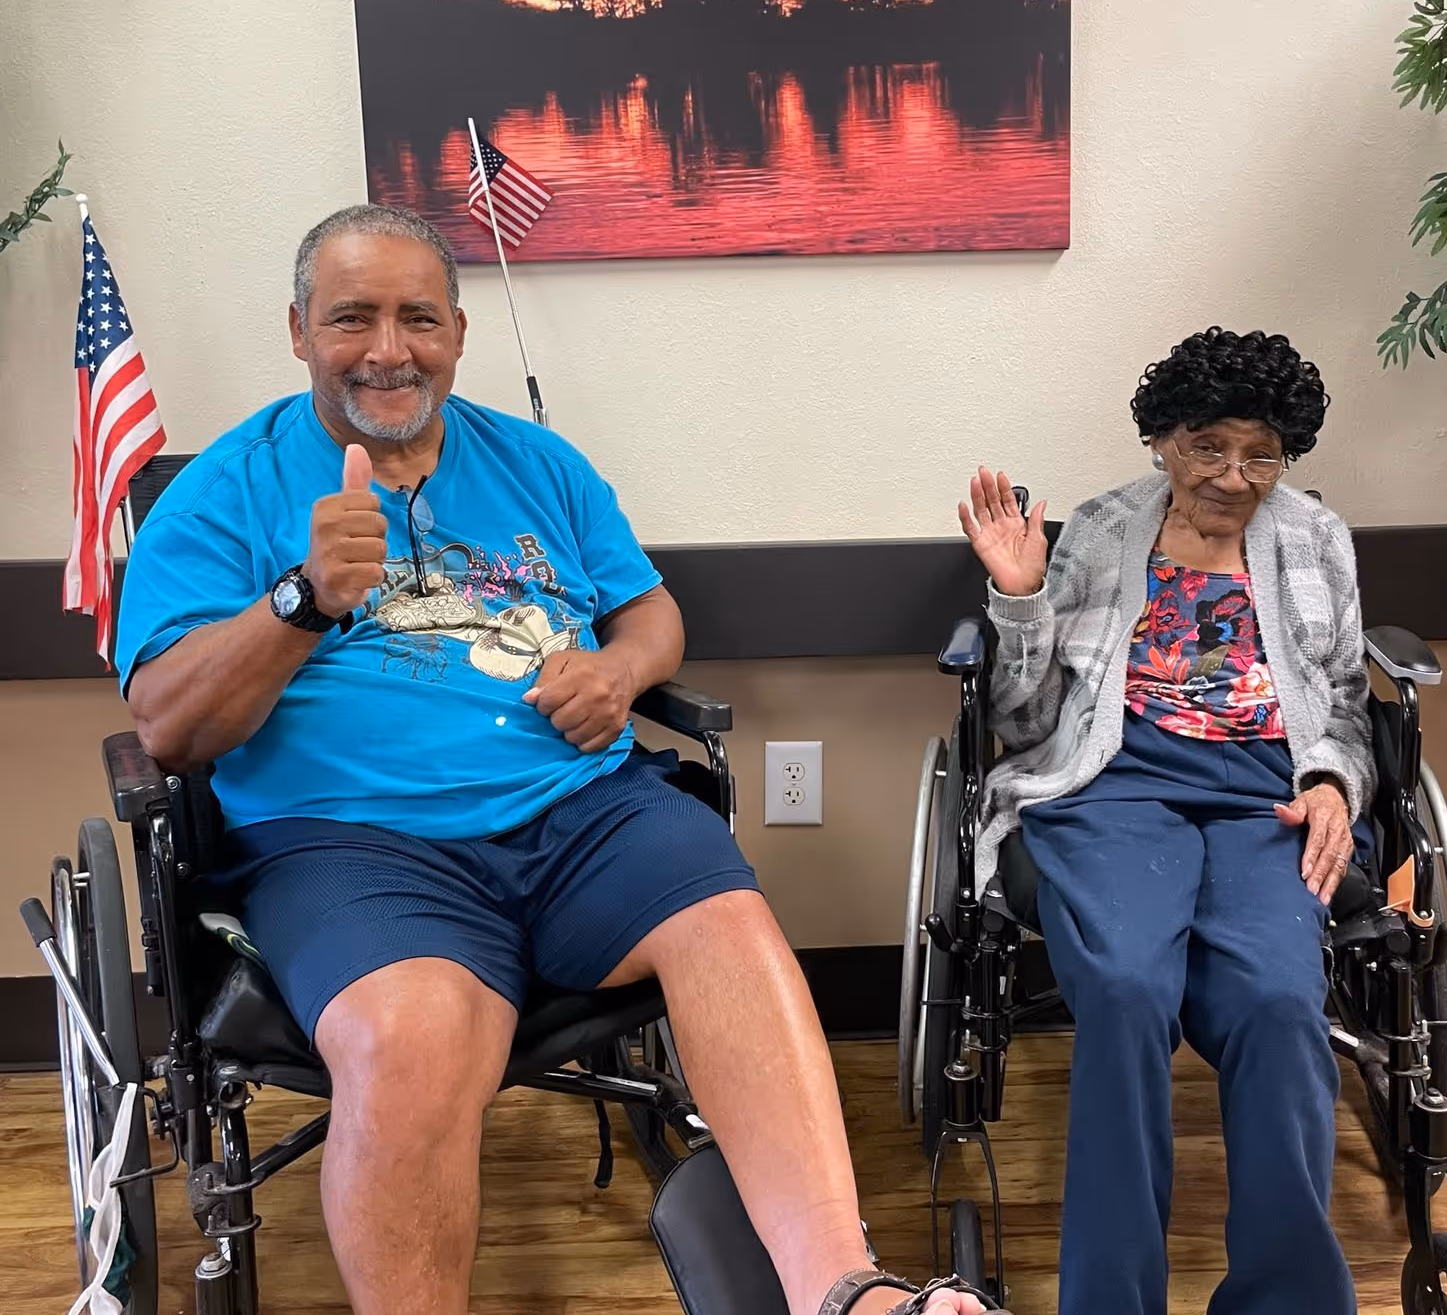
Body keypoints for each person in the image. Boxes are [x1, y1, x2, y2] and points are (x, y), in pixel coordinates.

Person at [118, 202, 1001, 1315]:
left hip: (582, 807)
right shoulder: (220, 493)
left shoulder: (538, 462)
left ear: (457, 333)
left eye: (417, 318)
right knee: (411, 1033)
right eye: (352, 317)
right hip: (352, 841)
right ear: (297, 330)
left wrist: (620, 674)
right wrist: (298, 601)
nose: (388, 347)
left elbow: (651, 613)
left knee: (730, 928)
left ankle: (847, 1289)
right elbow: (169, 728)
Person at [959, 327, 1371, 1315]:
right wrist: (1018, 598)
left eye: (1261, 451)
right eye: (1207, 445)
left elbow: (1348, 702)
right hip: (1111, 782)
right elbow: (1018, 722)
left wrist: (1331, 781)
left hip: (1262, 791)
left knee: (1279, 1005)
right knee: (1125, 990)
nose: (1232, 475)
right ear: (1161, 439)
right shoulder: (1103, 531)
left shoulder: (1316, 540)